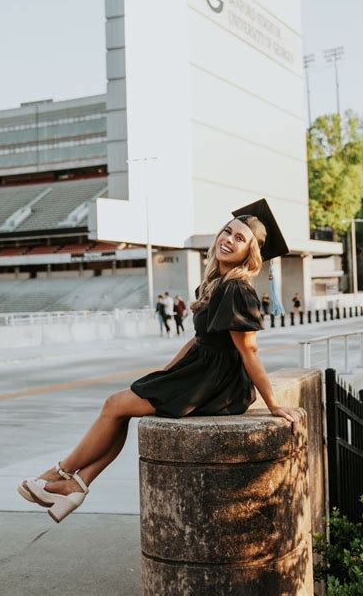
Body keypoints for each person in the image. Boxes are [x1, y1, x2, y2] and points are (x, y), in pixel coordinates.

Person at [18, 198, 301, 523]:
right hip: (197, 370)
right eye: (227, 231)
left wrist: (274, 403)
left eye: (240, 238)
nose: (228, 239)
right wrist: (167, 371)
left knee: (114, 405)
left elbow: (248, 350)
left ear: (250, 253)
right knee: (121, 411)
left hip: (215, 382)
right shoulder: (214, 284)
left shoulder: (236, 289)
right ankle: (78, 485)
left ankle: (61, 474)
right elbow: (199, 339)